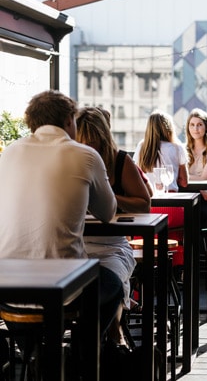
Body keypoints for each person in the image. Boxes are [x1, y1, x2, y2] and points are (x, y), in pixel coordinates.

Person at [0, 91, 121, 343]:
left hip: (7, 285)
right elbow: (108, 213)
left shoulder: (9, 153)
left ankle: (33, 354)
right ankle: (80, 355)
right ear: (69, 120)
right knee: (113, 285)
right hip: (64, 287)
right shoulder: (85, 155)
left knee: (26, 314)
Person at [76, 107, 151, 350]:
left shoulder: (120, 161)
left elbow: (144, 203)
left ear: (104, 138)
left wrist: (108, 198)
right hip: (76, 244)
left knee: (113, 275)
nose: (90, 149)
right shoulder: (70, 161)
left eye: (94, 143)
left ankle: (112, 332)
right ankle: (92, 342)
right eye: (83, 143)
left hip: (112, 244)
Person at [133, 110, 189, 191]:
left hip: (148, 199)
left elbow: (136, 176)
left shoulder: (142, 146)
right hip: (171, 200)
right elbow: (184, 182)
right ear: (169, 127)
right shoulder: (177, 147)